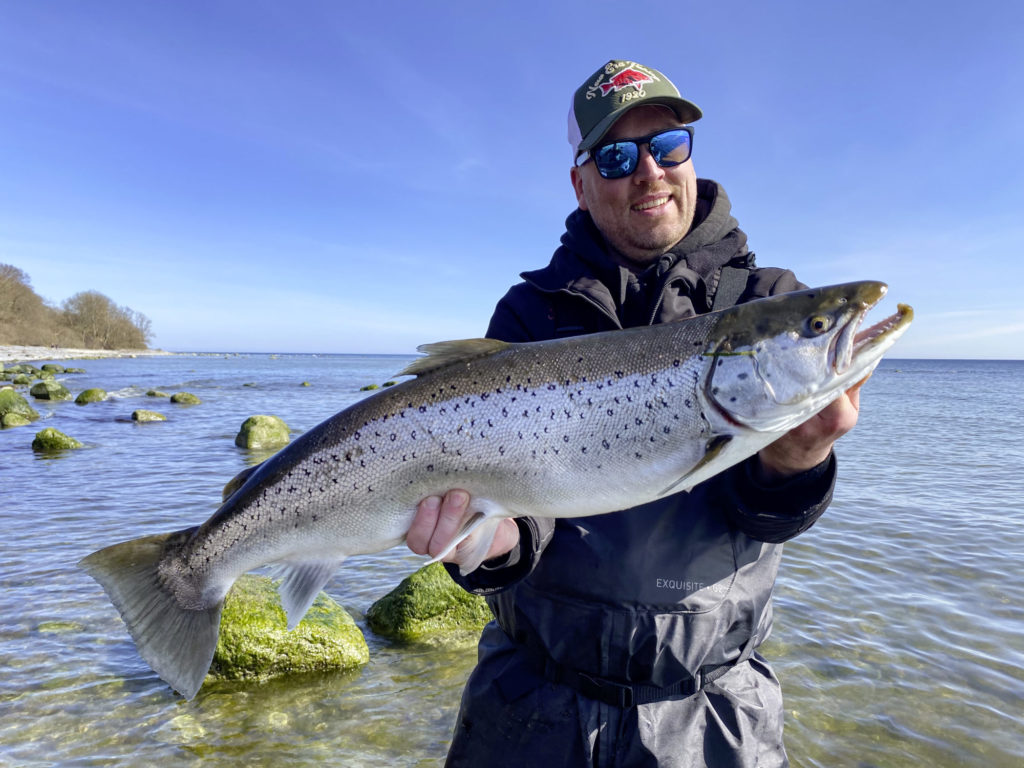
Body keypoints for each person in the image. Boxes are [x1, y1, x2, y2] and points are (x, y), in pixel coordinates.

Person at [406, 59, 862, 767]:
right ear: (581, 184)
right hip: (532, 702)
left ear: (690, 158)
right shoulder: (531, 313)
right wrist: (490, 545)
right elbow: (530, 506)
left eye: (667, 146)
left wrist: (798, 463)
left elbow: (767, 518)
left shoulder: (765, 298)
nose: (648, 171)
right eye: (617, 157)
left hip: (714, 712)